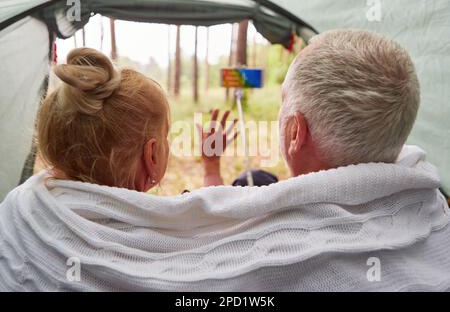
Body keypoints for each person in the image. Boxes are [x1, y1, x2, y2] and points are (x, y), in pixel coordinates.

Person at [0, 29, 449, 291]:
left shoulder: (19, 219)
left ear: (294, 132)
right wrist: (213, 172)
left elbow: (201, 232)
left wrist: (213, 172)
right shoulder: (435, 222)